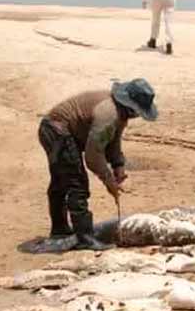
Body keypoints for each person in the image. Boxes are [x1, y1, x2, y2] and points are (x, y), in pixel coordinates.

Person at [38, 79, 159, 251]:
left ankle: (61, 230)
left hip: (57, 129)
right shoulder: (108, 114)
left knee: (62, 181)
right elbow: (93, 156)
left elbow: (113, 141)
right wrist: (109, 181)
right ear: (131, 107)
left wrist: (118, 165)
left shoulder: (119, 114)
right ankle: (84, 237)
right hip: (57, 131)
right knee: (75, 183)